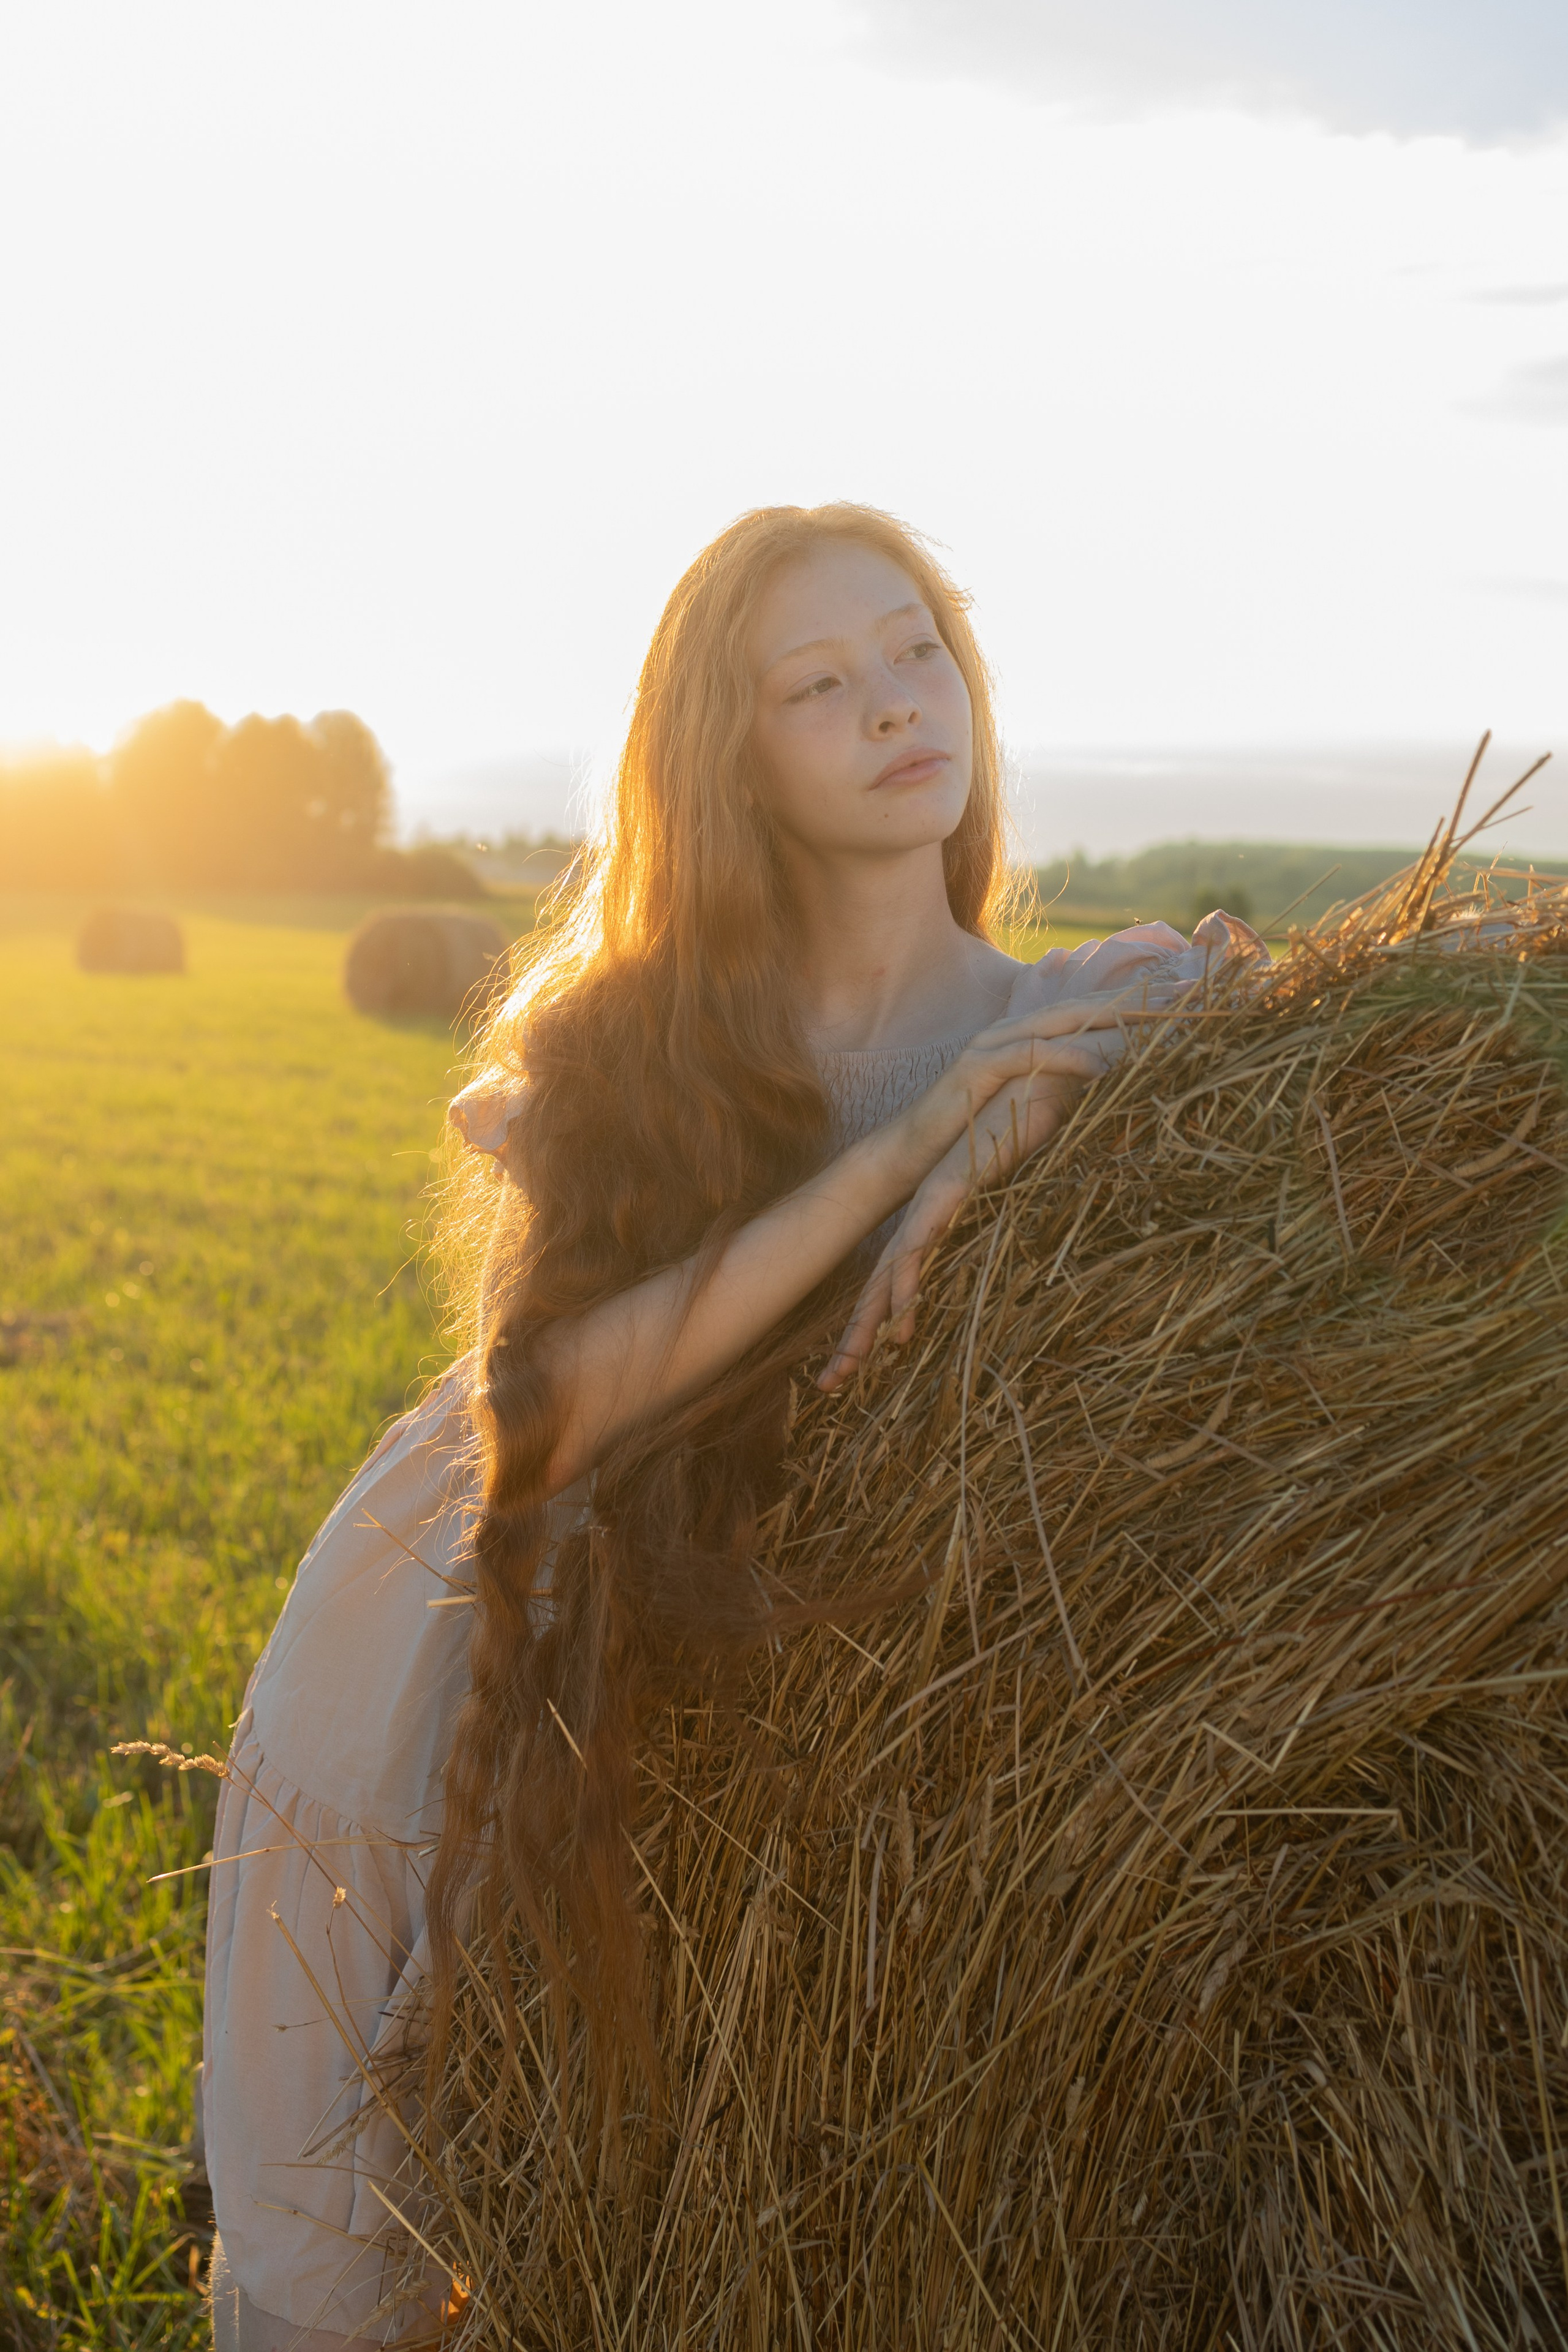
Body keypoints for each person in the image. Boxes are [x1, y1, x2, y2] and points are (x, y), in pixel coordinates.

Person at [203, 503, 1261, 2346]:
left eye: (917, 647)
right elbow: (542, 1420)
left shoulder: (1085, 1015)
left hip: (864, 1677)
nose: (893, 705)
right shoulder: (633, 1048)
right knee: (355, 2210)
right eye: (821, 684)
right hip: (489, 1601)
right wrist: (906, 1155)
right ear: (732, 753)